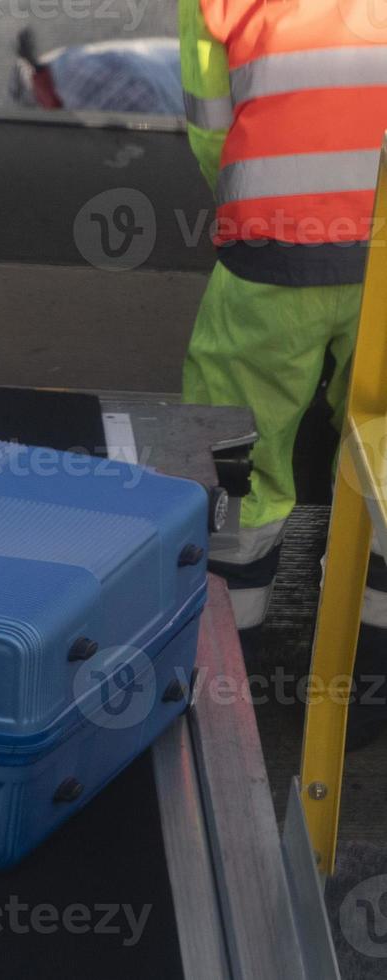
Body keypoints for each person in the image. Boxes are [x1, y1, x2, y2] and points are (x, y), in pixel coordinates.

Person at [180, 0, 387, 746]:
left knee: (234, 463)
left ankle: (223, 690)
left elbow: (211, 122)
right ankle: (364, 695)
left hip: (274, 251)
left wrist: (259, 212)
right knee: (384, 463)